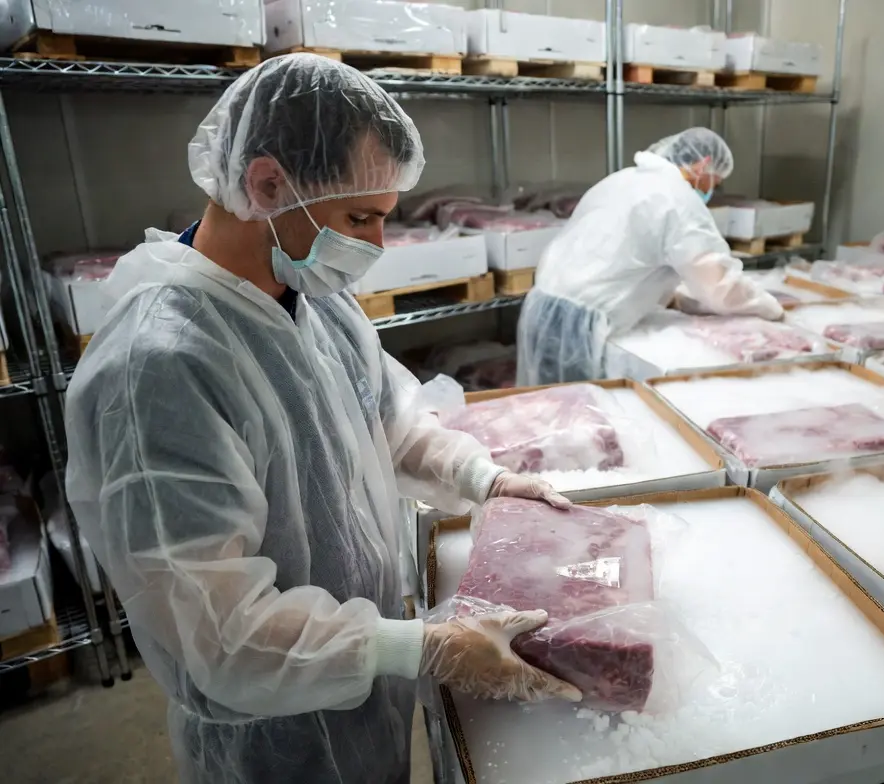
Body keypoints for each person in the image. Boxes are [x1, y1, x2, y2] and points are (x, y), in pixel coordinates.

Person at [64, 53, 581, 784]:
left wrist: (482, 479)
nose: (373, 245)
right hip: (272, 737)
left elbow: (391, 421)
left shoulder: (312, 298)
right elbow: (218, 633)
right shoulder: (159, 365)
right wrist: (420, 649)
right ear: (268, 184)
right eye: (359, 217)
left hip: (359, 680)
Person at [516, 127, 785, 385]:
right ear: (703, 165)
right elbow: (719, 285)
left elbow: (624, 257)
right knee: (581, 419)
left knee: (550, 412)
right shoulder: (678, 199)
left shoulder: (624, 179)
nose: (713, 189)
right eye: (716, 181)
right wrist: (766, 306)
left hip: (542, 307)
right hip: (579, 328)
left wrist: (672, 296)